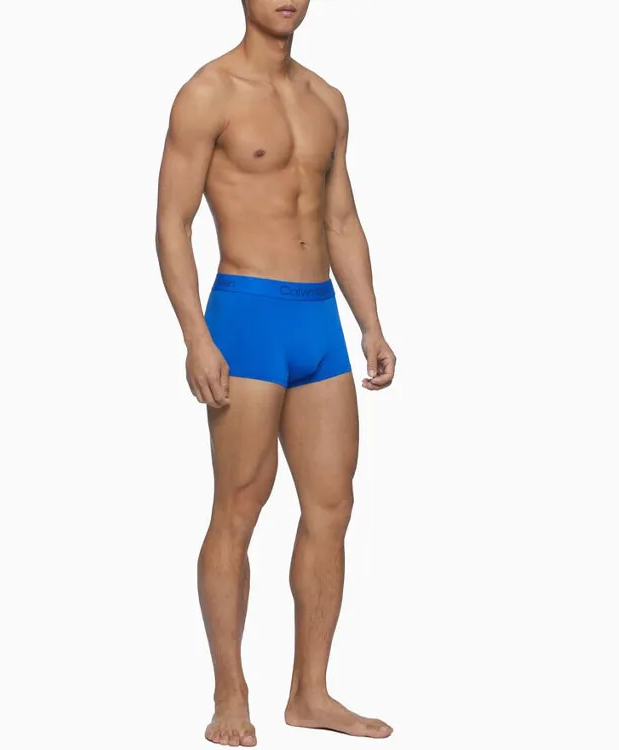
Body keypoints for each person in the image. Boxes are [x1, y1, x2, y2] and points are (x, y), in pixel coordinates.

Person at [155, 0, 396, 745]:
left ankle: (310, 694)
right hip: (247, 315)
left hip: (318, 319)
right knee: (239, 507)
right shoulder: (208, 92)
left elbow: (340, 219)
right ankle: (230, 695)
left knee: (333, 507)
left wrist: (370, 323)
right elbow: (172, 222)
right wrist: (196, 336)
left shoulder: (327, 99)